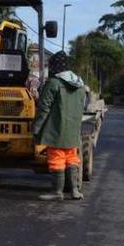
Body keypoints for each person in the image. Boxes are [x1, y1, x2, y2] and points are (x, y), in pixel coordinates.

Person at [33, 51, 87, 201]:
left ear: (54, 67)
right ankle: (75, 190)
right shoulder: (81, 85)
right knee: (72, 158)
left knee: (57, 159)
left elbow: (44, 108)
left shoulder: (53, 84)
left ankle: (57, 192)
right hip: (73, 131)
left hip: (56, 130)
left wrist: (36, 129)